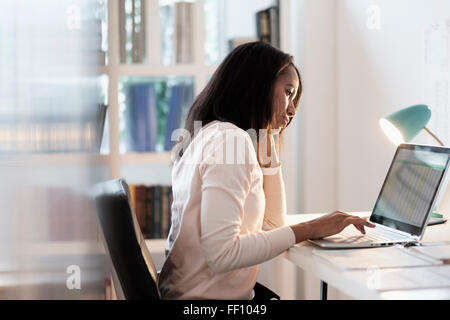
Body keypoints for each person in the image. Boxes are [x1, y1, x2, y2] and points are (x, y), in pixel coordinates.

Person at [158, 41, 374, 300]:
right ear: (257, 86)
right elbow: (222, 254)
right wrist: (310, 228)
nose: (292, 110)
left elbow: (273, 224)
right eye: (288, 92)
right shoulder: (230, 141)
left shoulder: (216, 134)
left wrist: (267, 134)